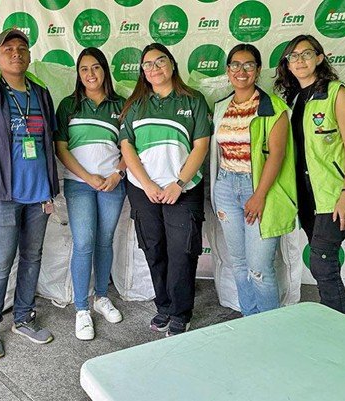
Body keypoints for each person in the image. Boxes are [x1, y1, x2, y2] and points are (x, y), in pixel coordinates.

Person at [0, 28, 59, 358]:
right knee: (1, 261)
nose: (16, 53)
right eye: (8, 49)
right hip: (1, 194)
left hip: (39, 193)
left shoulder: (41, 92)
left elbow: (48, 142)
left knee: (32, 257)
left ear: (29, 56)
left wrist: (49, 189)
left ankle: (24, 318)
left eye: (22, 48)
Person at [274, 34, 345, 315]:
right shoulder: (293, 99)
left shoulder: (336, 93)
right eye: (293, 56)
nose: (300, 60)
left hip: (333, 193)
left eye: (306, 54)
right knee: (322, 263)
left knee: (322, 263)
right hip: (306, 194)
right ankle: (333, 319)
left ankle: (339, 326)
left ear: (319, 58)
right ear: (287, 64)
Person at [119, 43, 210, 336]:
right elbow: (127, 147)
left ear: (172, 64)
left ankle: (181, 311)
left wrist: (179, 183)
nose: (154, 68)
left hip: (183, 189)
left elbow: (201, 145)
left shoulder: (193, 100)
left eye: (160, 61)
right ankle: (164, 306)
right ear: (142, 72)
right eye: (147, 64)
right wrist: (147, 184)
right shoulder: (135, 105)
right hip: (143, 189)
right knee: (154, 248)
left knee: (182, 251)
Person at [209, 44, 297, 316]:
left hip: (259, 188)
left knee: (259, 268)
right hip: (226, 187)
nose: (241, 71)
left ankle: (269, 328)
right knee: (238, 264)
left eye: (248, 65)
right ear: (228, 71)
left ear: (258, 70)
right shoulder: (221, 107)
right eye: (235, 65)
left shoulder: (274, 108)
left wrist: (258, 195)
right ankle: (249, 320)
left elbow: (277, 155)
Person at [55, 48, 127, 340]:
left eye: (95, 67)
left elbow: (130, 148)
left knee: (104, 241)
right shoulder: (69, 105)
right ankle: (82, 309)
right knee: (84, 242)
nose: (90, 74)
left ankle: (101, 297)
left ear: (105, 70)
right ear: (78, 74)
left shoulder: (121, 105)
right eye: (84, 69)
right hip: (79, 184)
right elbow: (61, 148)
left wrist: (117, 174)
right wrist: (88, 177)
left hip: (112, 184)